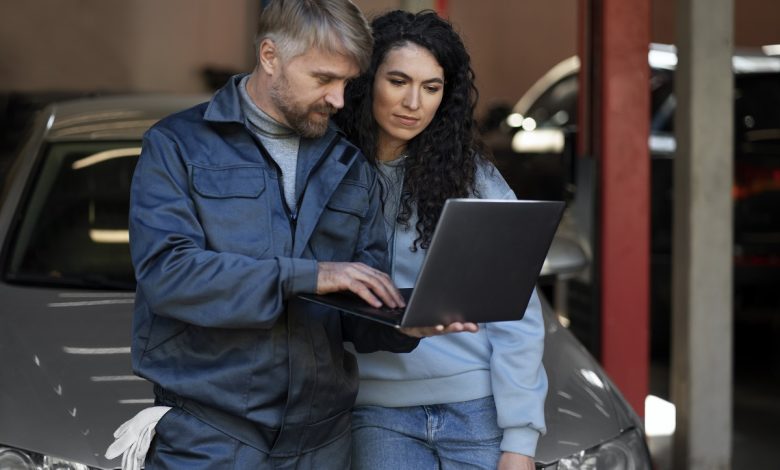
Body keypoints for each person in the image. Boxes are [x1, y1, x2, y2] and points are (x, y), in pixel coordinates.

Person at [110, 1, 474, 469]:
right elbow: (169, 276)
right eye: (323, 80)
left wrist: (405, 324)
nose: (340, 100)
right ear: (269, 56)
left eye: (347, 83)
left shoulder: (350, 165)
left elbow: (353, 313)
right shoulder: (177, 146)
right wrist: (309, 275)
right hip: (210, 440)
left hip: (323, 444)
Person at [334, 10, 547, 470]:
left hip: (477, 412)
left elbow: (518, 313)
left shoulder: (473, 178)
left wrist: (520, 439)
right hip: (377, 413)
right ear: (366, 80)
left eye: (431, 88)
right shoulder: (326, 174)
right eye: (397, 81)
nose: (414, 102)